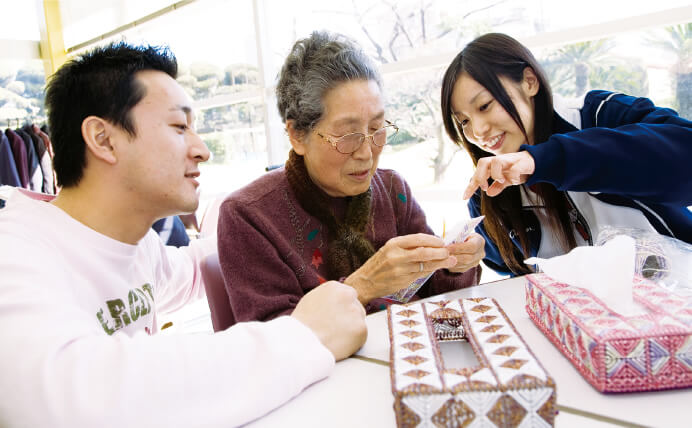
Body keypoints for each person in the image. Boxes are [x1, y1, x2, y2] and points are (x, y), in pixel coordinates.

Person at [0, 43, 367, 428]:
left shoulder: (140, 246)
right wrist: (301, 337)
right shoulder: (17, 250)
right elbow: (66, 401)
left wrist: (273, 222)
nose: (202, 150)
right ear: (103, 139)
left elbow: (191, 267)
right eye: (179, 127)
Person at [215, 31, 484, 327]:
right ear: (297, 135)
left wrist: (457, 263)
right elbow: (272, 341)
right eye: (347, 135)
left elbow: (439, 296)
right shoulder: (249, 215)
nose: (367, 153)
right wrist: (362, 286)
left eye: (377, 128)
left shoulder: (393, 190)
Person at [440, 32, 692, 276]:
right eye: (463, 122)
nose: (478, 130)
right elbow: (514, 271)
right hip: (583, 315)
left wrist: (544, 161)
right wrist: (466, 256)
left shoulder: (597, 115)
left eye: (485, 106)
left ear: (529, 81)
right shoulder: (489, 187)